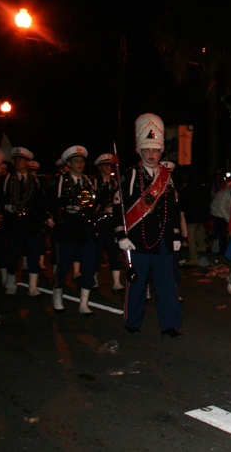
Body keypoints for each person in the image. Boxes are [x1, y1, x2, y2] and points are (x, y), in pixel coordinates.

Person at [113, 113, 183, 337]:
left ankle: (169, 324)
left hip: (162, 239)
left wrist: (176, 237)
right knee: (137, 283)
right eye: (147, 150)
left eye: (155, 151)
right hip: (138, 239)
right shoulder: (132, 174)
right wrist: (120, 235)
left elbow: (172, 210)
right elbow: (119, 207)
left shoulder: (166, 176)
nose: (152, 155)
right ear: (140, 151)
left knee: (166, 284)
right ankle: (132, 321)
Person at [47, 146, 98, 315]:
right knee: (62, 266)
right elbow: (52, 202)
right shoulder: (60, 180)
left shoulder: (89, 180)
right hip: (66, 229)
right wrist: (64, 209)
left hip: (85, 229)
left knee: (89, 266)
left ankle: (84, 302)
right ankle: (57, 295)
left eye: (82, 161)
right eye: (76, 161)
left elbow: (94, 202)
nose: (80, 164)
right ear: (68, 164)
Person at [1, 147, 47, 296]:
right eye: (16, 160)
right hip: (14, 224)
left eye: (22, 160)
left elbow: (41, 201)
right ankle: (10, 283)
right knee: (13, 255)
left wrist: (43, 218)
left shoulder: (35, 180)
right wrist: (6, 207)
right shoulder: (7, 179)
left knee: (33, 255)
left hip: (32, 224)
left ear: (27, 162)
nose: (19, 162)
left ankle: (32, 286)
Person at [93, 153, 124, 292]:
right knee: (96, 253)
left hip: (111, 223)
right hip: (98, 222)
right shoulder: (93, 182)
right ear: (99, 167)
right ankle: (93, 279)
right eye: (105, 165)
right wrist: (102, 208)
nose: (108, 167)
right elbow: (89, 202)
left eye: (109, 165)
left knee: (113, 252)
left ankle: (116, 282)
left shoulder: (115, 182)